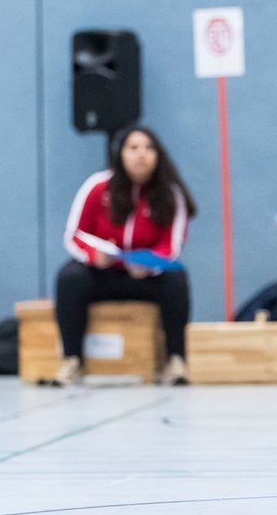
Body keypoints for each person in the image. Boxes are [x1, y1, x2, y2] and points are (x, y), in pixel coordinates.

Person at [54, 125, 196, 387]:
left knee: (177, 278)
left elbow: (171, 245)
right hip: (102, 273)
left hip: (143, 277)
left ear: (158, 155)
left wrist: (149, 264)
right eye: (134, 148)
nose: (141, 154)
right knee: (69, 277)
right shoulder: (97, 187)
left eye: (148, 148)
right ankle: (71, 359)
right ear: (121, 154)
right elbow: (75, 234)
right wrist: (94, 255)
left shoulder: (170, 194)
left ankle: (176, 360)